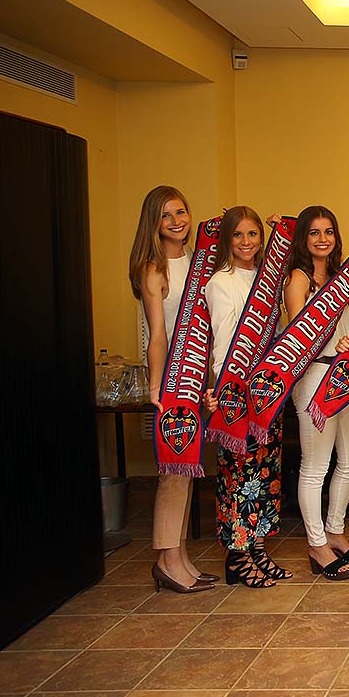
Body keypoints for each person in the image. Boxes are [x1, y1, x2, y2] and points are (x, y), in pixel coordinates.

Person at [128, 185, 215, 593]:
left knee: (187, 469)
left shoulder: (201, 263)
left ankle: (179, 557)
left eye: (181, 212)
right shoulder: (153, 267)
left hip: (200, 376)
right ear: (154, 223)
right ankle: (166, 559)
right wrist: (155, 386)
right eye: (167, 216)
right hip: (175, 379)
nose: (177, 221)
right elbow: (158, 334)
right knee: (172, 473)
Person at [205, 207, 291, 588]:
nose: (246, 242)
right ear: (227, 239)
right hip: (238, 392)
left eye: (253, 234)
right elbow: (222, 342)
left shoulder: (268, 279)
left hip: (269, 390)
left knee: (266, 473)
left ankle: (256, 548)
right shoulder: (220, 282)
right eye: (238, 235)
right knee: (238, 475)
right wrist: (224, 390)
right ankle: (237, 556)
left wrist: (283, 227)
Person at [286, 205, 349, 581]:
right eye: (315, 232)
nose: (323, 239)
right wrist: (332, 346)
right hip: (314, 378)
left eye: (329, 232)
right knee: (315, 466)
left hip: (345, 378)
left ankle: (335, 530)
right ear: (304, 239)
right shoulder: (299, 279)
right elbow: (296, 334)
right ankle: (316, 544)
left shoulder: (340, 279)